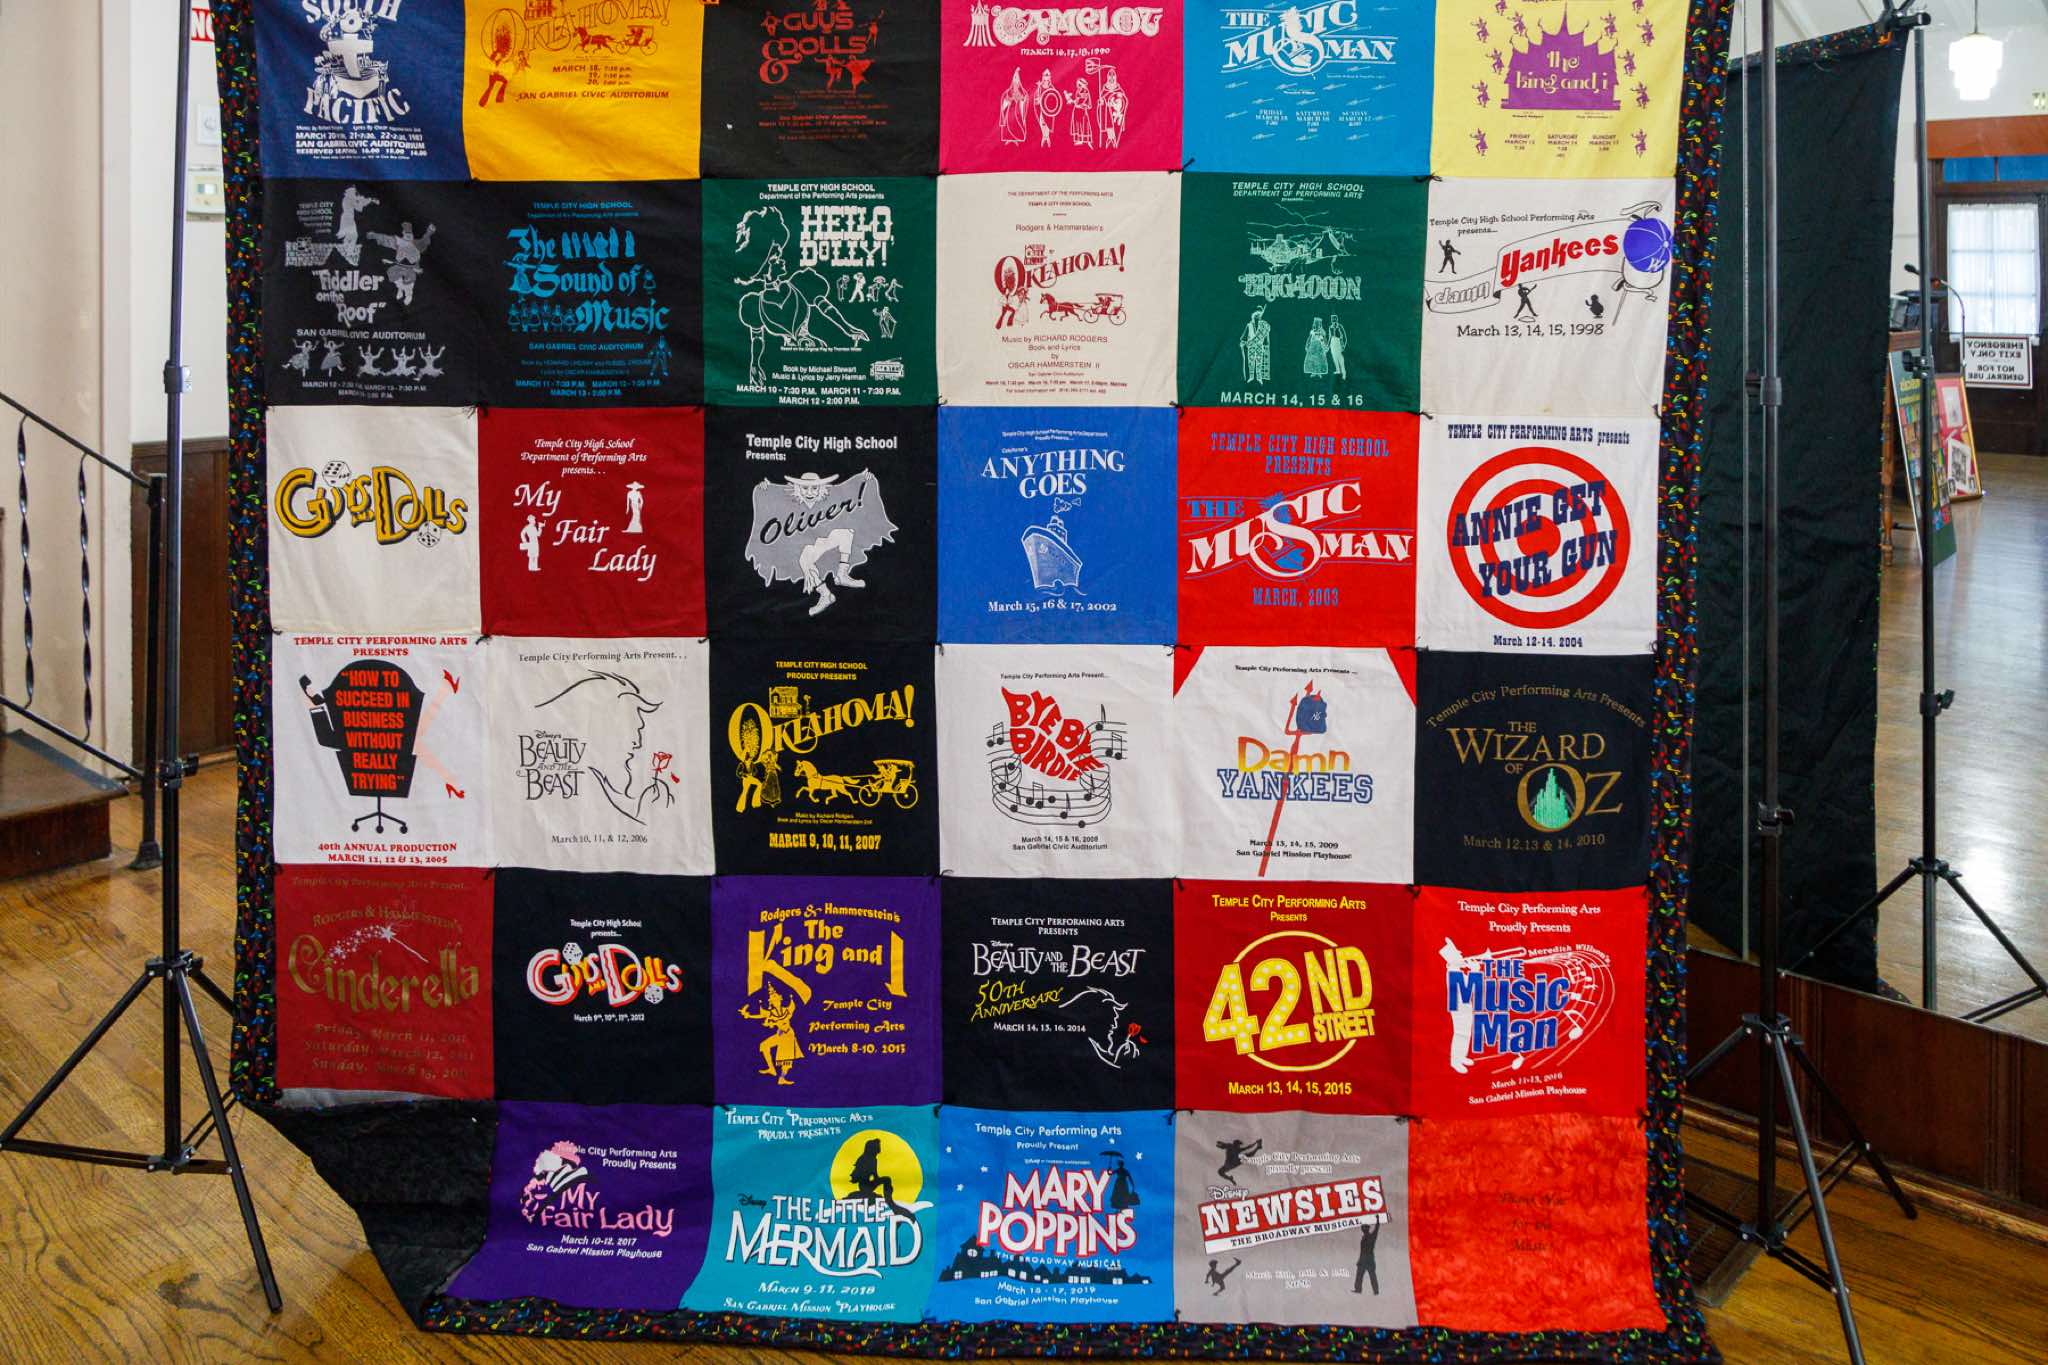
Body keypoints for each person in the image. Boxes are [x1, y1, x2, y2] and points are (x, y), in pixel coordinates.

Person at [1326, 315, 1348, 381]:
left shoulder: (1340, 326)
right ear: (1331, 321)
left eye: (1335, 320)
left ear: (1337, 320)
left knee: (1340, 357)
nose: (1334, 321)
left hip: (1338, 342)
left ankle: (1344, 372)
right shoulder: (1330, 327)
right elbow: (1330, 337)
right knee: (1334, 357)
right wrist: (1328, 345)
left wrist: (1343, 345)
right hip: (1333, 342)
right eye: (1332, 320)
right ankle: (1338, 370)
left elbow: (1344, 336)